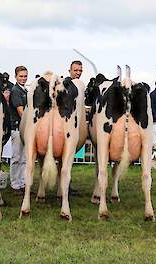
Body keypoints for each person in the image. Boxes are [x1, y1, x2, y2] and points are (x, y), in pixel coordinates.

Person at [8, 66, 28, 195]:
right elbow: (21, 111)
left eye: (25, 76)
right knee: (16, 156)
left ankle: (22, 182)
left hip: (24, 128)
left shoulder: (25, 90)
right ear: (15, 77)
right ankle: (15, 184)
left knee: (24, 157)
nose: (23, 78)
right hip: (17, 127)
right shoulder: (15, 90)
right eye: (21, 76)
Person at [67, 60, 83, 196]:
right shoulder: (65, 84)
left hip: (75, 127)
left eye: (80, 71)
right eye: (75, 70)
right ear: (70, 71)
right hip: (65, 128)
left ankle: (66, 186)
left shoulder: (81, 86)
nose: (78, 73)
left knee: (68, 159)